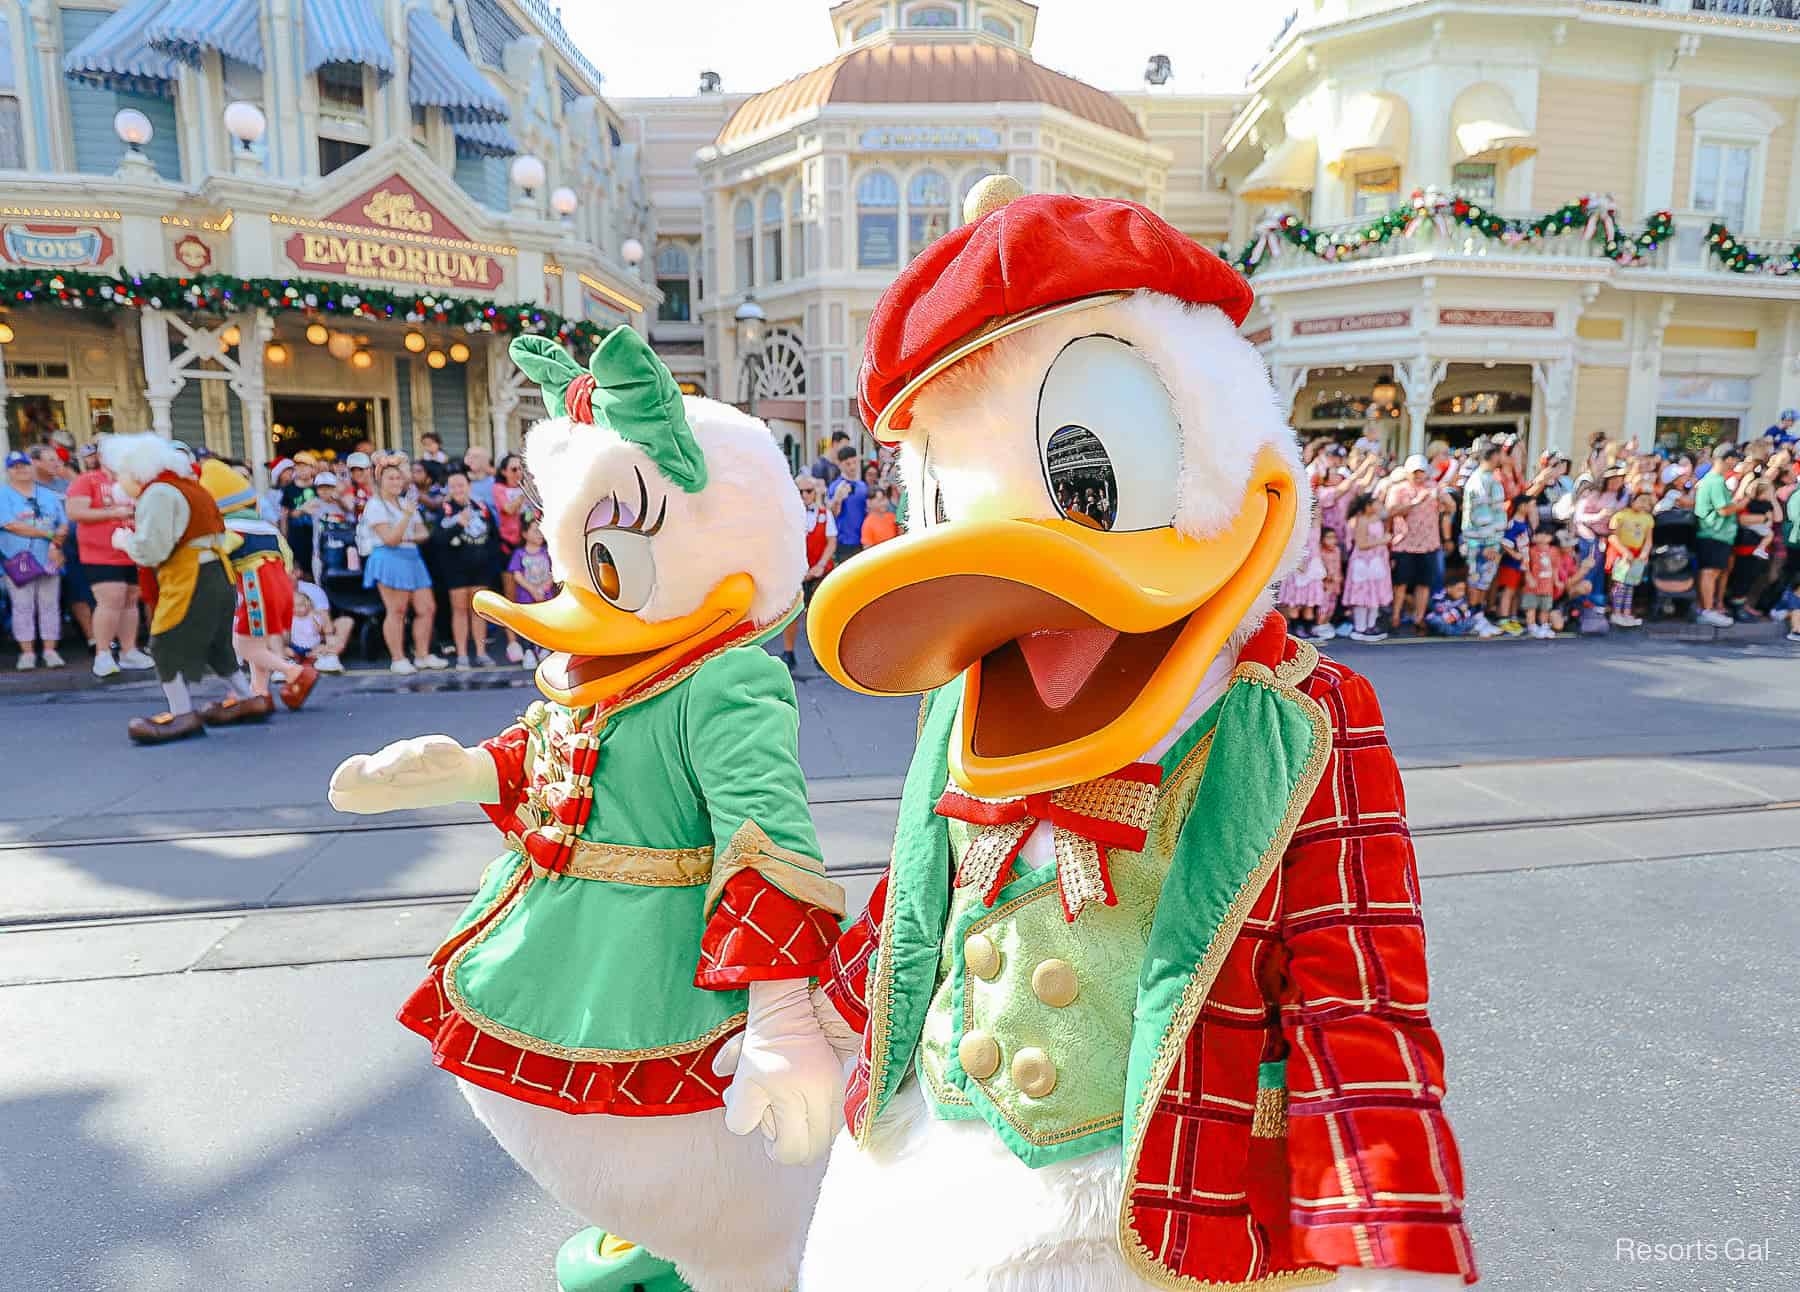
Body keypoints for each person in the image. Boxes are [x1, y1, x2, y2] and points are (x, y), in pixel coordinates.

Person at [102, 433, 264, 743]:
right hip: (218, 572)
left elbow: (153, 550)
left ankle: (181, 714)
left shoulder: (159, 492)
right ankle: (248, 698)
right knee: (217, 643)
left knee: (165, 643)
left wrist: (124, 541)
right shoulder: (190, 486)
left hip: (191, 577)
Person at [201, 458, 318, 711]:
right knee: (257, 644)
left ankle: (295, 672)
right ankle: (260, 691)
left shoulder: (227, 528)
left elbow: (214, 559)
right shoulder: (266, 527)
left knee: (243, 645)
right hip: (281, 590)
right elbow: (287, 557)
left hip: (255, 592)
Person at [66, 442, 154, 677]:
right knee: (110, 599)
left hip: (130, 550)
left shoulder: (131, 482)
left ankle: (129, 651)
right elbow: (75, 512)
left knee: (131, 599)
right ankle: (102, 654)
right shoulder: (88, 480)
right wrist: (112, 513)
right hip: (100, 552)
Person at [359, 462, 446, 674]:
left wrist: (406, 535)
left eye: (398, 478)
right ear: (380, 481)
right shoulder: (375, 505)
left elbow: (424, 533)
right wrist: (406, 518)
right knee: (397, 610)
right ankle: (398, 658)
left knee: (427, 608)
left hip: (412, 558)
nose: (396, 482)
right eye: (390, 478)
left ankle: (422, 655)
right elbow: (389, 539)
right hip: (388, 558)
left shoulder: (404, 502)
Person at [0, 449, 68, 669]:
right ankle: (27, 653)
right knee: (22, 606)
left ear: (32, 467)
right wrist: (48, 535)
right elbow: (11, 525)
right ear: (9, 471)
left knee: (50, 605)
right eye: (15, 467)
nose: (21, 470)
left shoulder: (48, 495)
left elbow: (63, 523)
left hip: (49, 557)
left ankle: (50, 651)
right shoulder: (3, 495)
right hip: (18, 559)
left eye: (24, 465)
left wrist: (56, 545)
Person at [431, 469, 500, 669]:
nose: (458, 489)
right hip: (455, 568)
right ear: (448, 489)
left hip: (480, 568)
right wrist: (458, 524)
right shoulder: (444, 509)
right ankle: (462, 655)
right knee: (459, 610)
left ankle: (481, 653)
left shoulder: (481, 507)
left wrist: (489, 559)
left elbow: (493, 536)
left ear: (469, 486)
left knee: (478, 611)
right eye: (453, 486)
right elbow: (438, 540)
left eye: (461, 485)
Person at [781, 472, 835, 669]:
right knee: (792, 613)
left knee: (819, 612)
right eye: (800, 491)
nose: (804, 495)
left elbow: (831, 541)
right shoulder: (788, 515)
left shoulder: (824, 514)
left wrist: (820, 565)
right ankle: (788, 652)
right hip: (796, 571)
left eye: (809, 491)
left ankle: (820, 653)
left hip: (819, 570)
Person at [1385, 454, 1440, 634]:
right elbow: (1391, 510)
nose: (1418, 476)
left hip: (1428, 543)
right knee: (1401, 583)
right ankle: (1395, 616)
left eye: (1421, 472)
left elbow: (1449, 507)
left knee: (1424, 583)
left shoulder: (1434, 487)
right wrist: (1415, 502)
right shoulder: (1398, 489)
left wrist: (1443, 495)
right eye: (1415, 472)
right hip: (1404, 543)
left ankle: (1419, 618)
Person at [1693, 442, 1745, 626]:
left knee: (1712, 572)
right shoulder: (1714, 481)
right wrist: (1742, 503)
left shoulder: (1712, 479)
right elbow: (1723, 510)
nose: (1735, 463)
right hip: (1713, 533)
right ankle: (1707, 610)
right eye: (1734, 460)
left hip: (1715, 534)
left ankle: (1707, 609)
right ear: (1728, 459)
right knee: (1710, 572)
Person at [1459, 441, 1506, 627]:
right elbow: (1481, 515)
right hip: (1478, 542)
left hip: (1489, 541)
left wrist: (1495, 542)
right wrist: (1489, 543)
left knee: (1484, 579)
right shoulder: (1479, 481)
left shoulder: (1490, 479)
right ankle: (1474, 616)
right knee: (1476, 578)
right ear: (1493, 456)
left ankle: (1478, 615)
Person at [492, 453, 531, 662]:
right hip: (509, 546)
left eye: (521, 468)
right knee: (511, 594)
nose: (518, 473)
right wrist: (526, 490)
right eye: (514, 469)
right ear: (504, 472)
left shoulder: (532, 488)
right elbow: (508, 509)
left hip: (532, 545)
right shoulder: (500, 489)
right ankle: (512, 640)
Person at [505, 515, 555, 667]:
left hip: (545, 596)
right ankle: (529, 651)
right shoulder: (519, 553)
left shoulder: (548, 552)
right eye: (535, 530)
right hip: (527, 597)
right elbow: (517, 574)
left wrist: (545, 587)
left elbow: (554, 571)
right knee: (528, 625)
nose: (540, 533)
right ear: (525, 534)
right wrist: (533, 590)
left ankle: (545, 649)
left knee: (545, 623)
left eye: (541, 529)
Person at [1341, 491, 1392, 641]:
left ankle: (1371, 625)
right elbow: (1361, 543)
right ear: (1368, 506)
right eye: (1375, 503)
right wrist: (1382, 540)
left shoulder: (1376, 518)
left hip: (1377, 560)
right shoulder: (1361, 520)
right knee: (1362, 594)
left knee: (1375, 593)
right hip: (1364, 561)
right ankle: (1360, 627)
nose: (1378, 505)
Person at [1606, 488, 1655, 627]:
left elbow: (1648, 540)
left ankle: (1626, 613)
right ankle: (1616, 613)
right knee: (1620, 584)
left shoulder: (1648, 518)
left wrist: (1644, 553)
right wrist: (1624, 552)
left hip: (1637, 555)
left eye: (1647, 501)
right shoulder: (1621, 515)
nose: (1644, 504)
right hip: (1622, 553)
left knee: (1630, 585)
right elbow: (1612, 536)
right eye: (1641, 500)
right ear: (1632, 500)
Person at [1493, 493, 1537, 635]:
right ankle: (1503, 620)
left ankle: (1513, 618)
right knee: (1508, 591)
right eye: (1531, 506)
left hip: (1522, 564)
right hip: (1511, 564)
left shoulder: (1525, 523)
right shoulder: (1513, 523)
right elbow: (1505, 542)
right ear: (1522, 506)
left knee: (1517, 591)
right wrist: (1514, 554)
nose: (1532, 509)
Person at [289, 580, 351, 673]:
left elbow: (324, 622)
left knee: (346, 622)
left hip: (315, 643)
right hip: (295, 646)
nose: (297, 609)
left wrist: (328, 642)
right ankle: (286, 662)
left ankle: (329, 658)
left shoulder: (311, 590)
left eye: (301, 605)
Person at [827, 443, 868, 560]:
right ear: (840, 464)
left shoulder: (863, 486)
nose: (852, 467)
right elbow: (833, 514)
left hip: (863, 540)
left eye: (854, 462)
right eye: (848, 464)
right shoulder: (835, 486)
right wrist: (838, 498)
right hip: (844, 542)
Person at [1520, 524, 1560, 639]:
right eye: (1540, 534)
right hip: (1532, 587)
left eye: (1547, 535)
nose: (1543, 537)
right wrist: (1529, 578)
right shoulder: (1530, 551)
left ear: (1551, 537)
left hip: (1547, 586)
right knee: (1531, 607)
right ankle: (1532, 626)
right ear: (1534, 537)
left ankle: (1544, 626)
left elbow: (1555, 567)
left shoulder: (1554, 551)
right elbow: (1525, 566)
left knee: (1545, 608)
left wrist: (1556, 581)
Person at [1425, 564, 1480, 637]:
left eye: (1463, 590)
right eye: (1459, 590)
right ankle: (1454, 632)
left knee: (1473, 620)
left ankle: (1452, 632)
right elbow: (1442, 613)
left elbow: (1467, 613)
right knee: (1435, 619)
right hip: (1443, 619)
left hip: (1454, 622)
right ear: (1448, 589)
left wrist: (1464, 613)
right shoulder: (1439, 597)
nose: (1462, 593)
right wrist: (1458, 611)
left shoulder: (1463, 600)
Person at [462, 444, 497, 509]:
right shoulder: (459, 480)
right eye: (468, 455)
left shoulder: (495, 483)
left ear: (486, 461)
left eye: (476, 456)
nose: (470, 459)